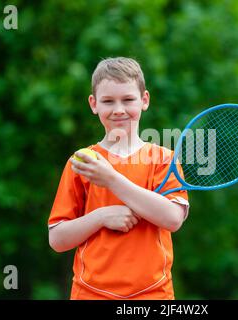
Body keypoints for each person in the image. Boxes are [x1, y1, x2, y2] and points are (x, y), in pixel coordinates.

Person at [48, 57, 190, 300]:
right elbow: (57, 239)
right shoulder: (82, 162)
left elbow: (173, 219)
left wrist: (111, 179)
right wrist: (101, 217)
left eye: (128, 99)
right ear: (93, 104)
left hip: (153, 294)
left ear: (144, 100)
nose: (119, 109)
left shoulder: (163, 159)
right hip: (90, 293)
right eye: (108, 101)